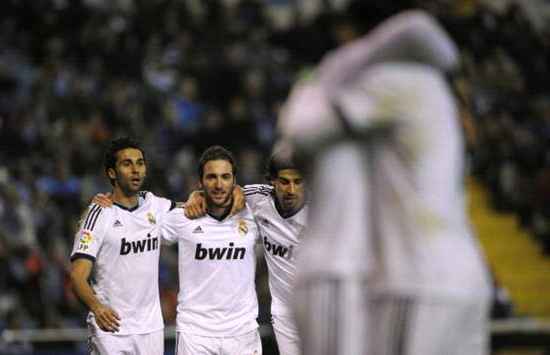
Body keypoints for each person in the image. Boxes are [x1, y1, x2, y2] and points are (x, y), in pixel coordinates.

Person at [278, 9, 492, 355]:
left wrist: (334, 65)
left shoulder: (383, 83)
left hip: (417, 278)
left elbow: (297, 135)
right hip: (465, 277)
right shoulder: (434, 88)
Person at [187, 146, 308, 355]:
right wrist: (196, 196)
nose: (291, 190)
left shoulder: (323, 210)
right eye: (284, 182)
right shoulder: (258, 200)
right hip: (285, 315)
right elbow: (221, 194)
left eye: (298, 182)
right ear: (271, 181)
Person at [70, 137, 174, 355]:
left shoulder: (155, 206)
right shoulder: (98, 214)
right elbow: (77, 277)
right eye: (127, 164)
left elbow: (195, 209)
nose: (135, 170)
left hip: (151, 330)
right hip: (111, 331)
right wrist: (97, 308)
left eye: (140, 163)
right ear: (111, 173)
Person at [162, 145, 262, 355]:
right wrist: (103, 209)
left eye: (225, 177)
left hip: (243, 333)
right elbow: (139, 221)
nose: (218, 184)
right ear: (200, 182)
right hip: (195, 335)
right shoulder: (182, 218)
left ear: (234, 182)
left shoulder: (254, 216)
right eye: (211, 177)